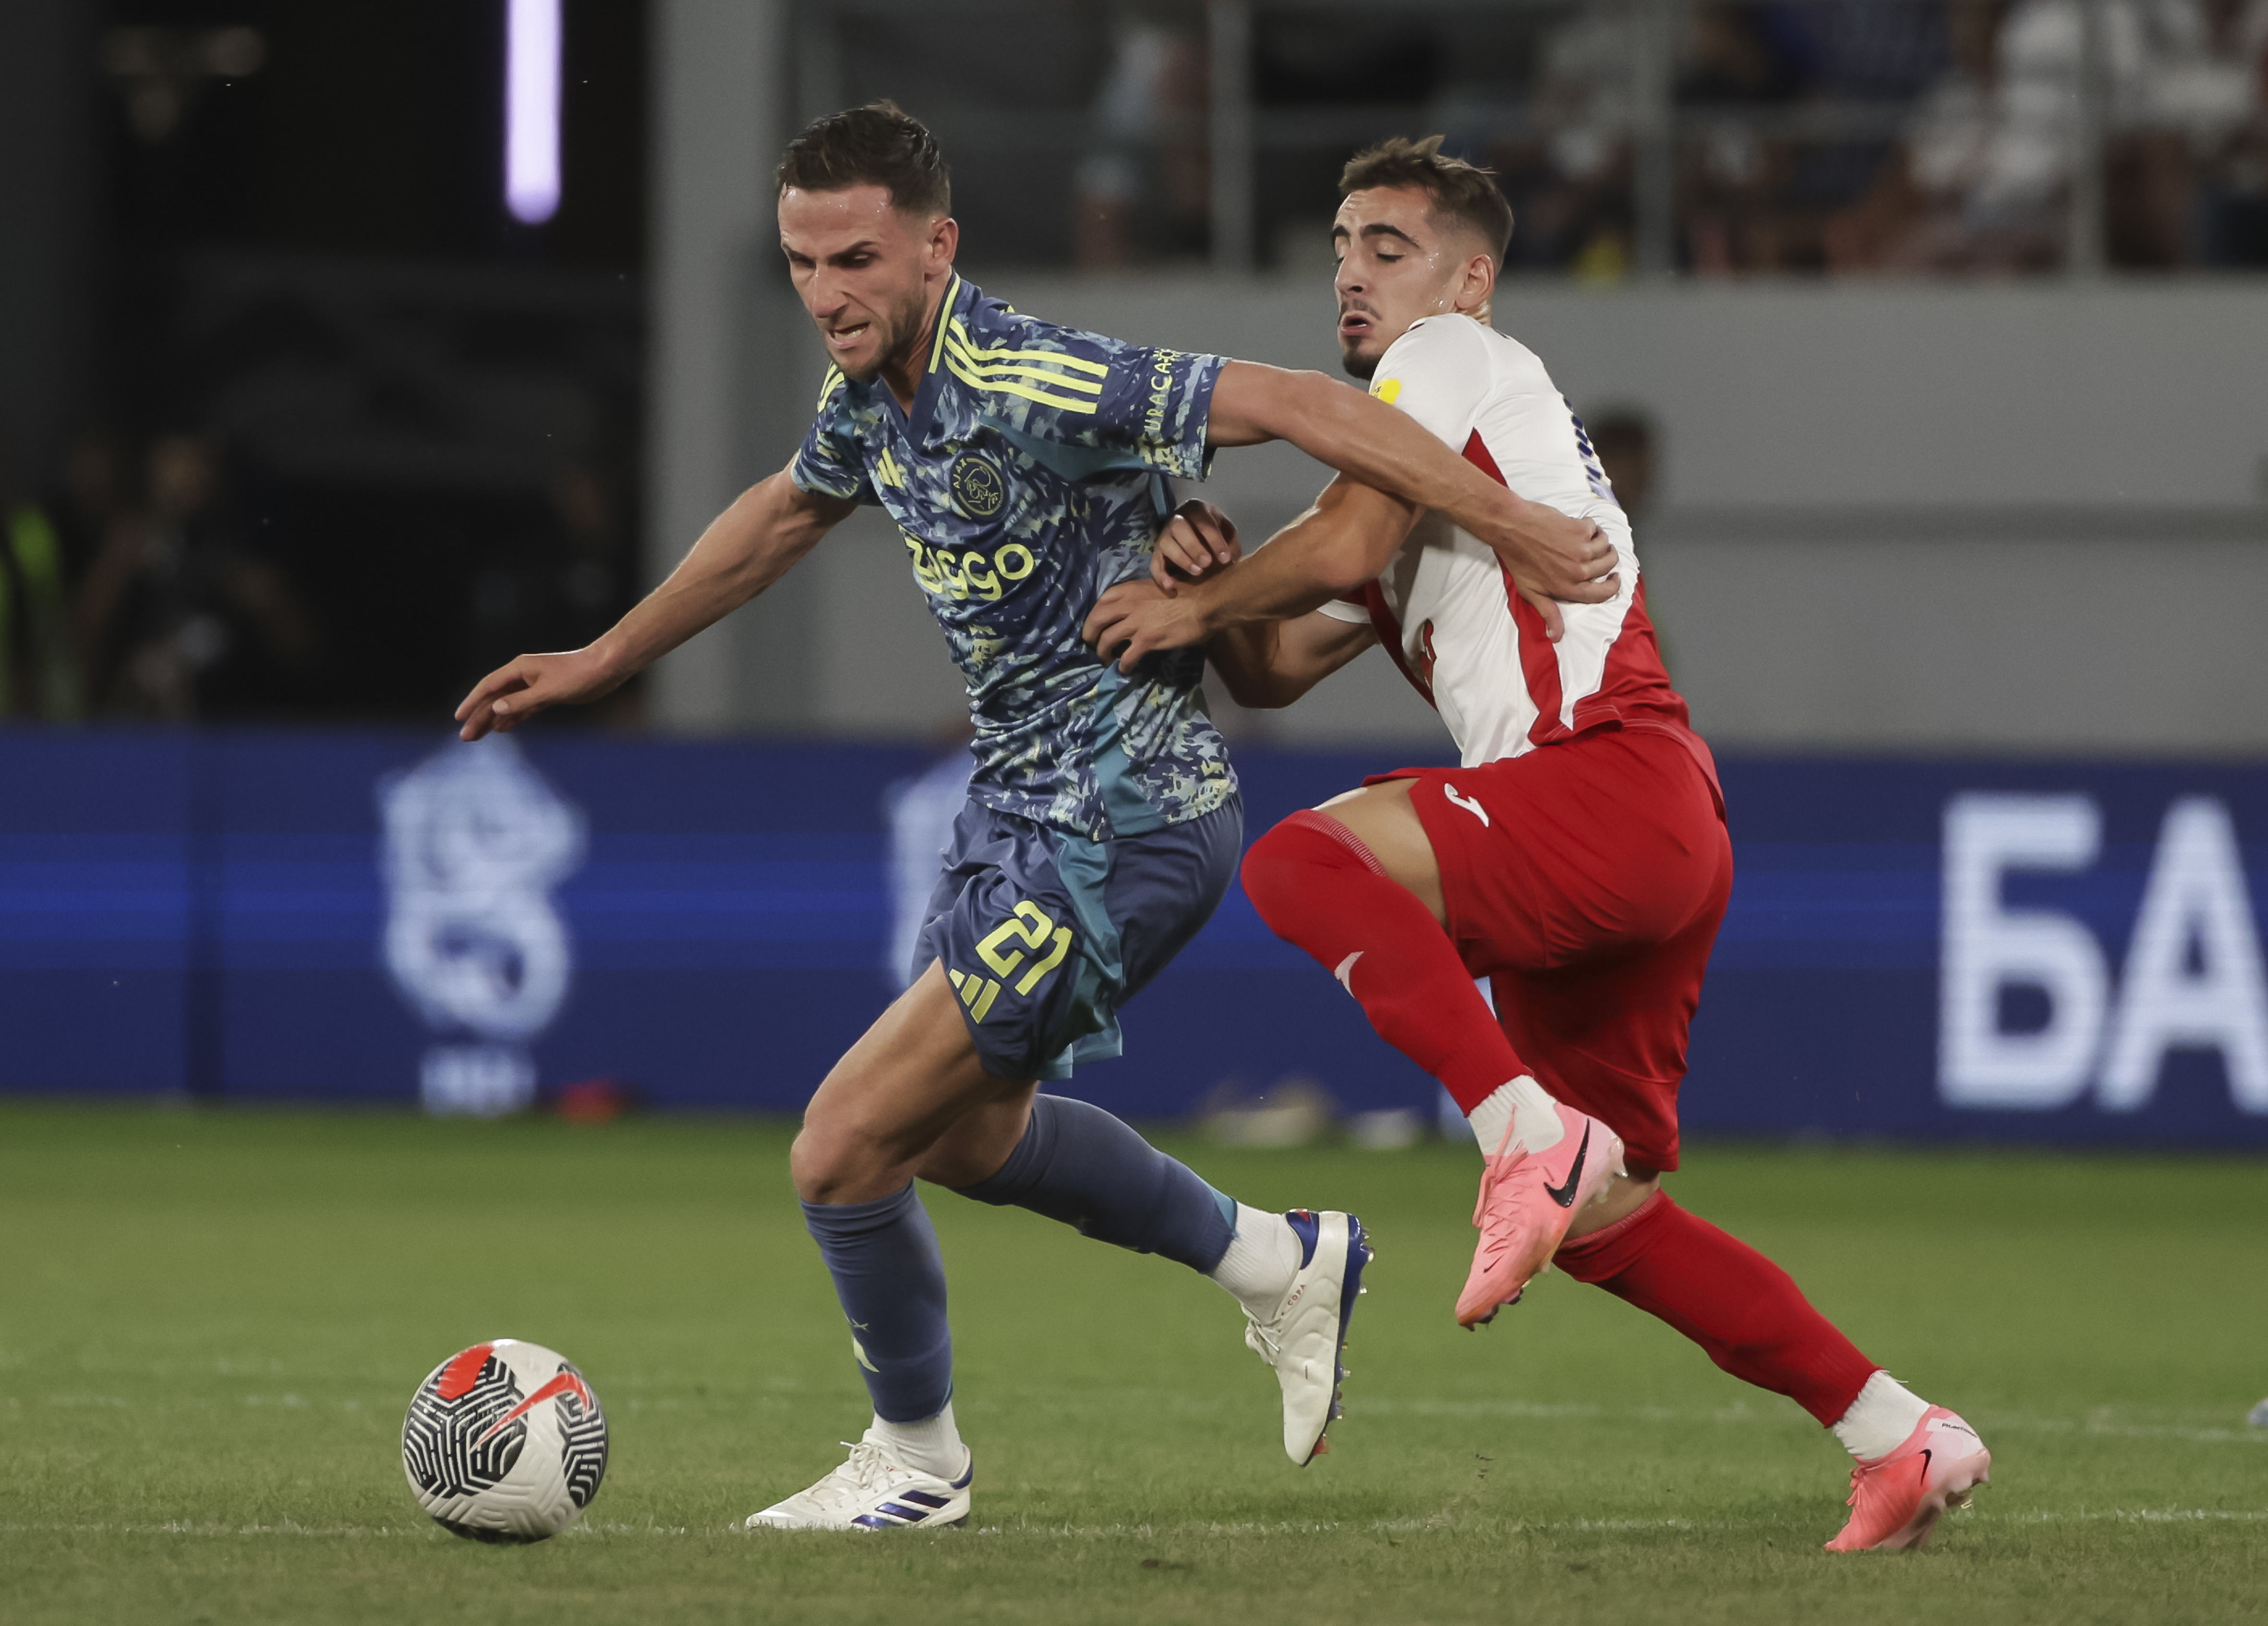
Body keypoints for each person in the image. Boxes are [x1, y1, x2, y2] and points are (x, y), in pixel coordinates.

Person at [453, 102, 1619, 1532]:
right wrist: (603, 660)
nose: (827, 293)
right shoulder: (869, 395)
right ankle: (1278, 1260)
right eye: (803, 261)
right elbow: (772, 520)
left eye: (858, 259)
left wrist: (1501, 522)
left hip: (1120, 823)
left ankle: (918, 1459)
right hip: (1017, 814)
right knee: (954, 1133)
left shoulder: (1036, 371)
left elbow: (1305, 407)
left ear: (936, 247)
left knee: (839, 1146)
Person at [1082, 134, 1991, 1554]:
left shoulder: (1451, 360)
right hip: (1649, 827)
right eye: (1339, 245)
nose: (1352, 273)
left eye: (1387, 246)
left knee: (1298, 863)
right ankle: (1897, 1433)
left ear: (1470, 276)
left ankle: (1518, 1130)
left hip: (1600, 787)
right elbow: (1276, 664)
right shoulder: (1428, 471)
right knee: (1610, 1213)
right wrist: (1221, 597)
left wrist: (1188, 606)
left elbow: (1334, 540)